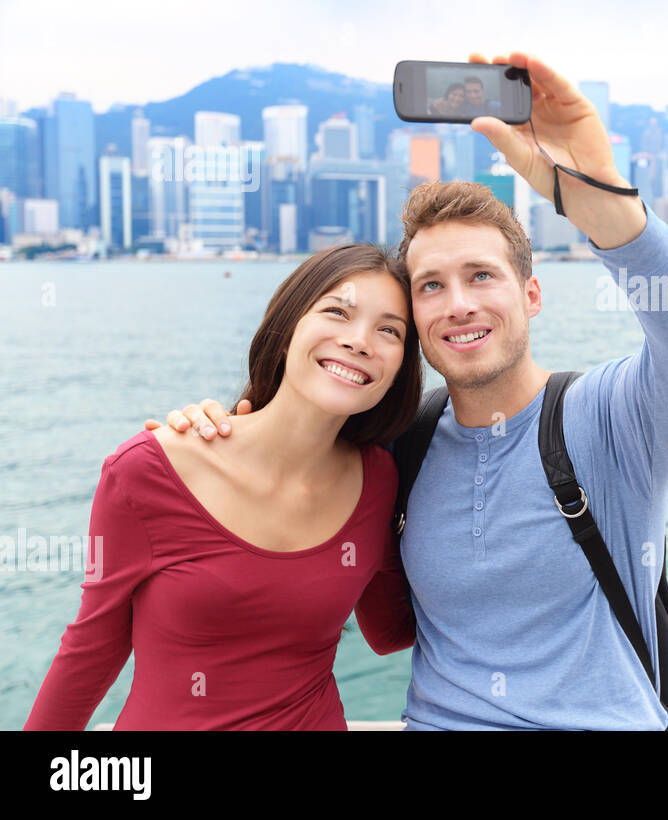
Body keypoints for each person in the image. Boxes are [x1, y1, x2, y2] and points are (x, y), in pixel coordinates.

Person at [156, 50, 668, 730]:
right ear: (413, 318)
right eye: (431, 285)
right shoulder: (403, 440)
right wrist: (212, 432)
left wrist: (596, 193)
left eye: (481, 276)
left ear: (532, 294)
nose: (457, 303)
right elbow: (290, 472)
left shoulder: (611, 418)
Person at [25, 244, 424, 730]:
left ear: (400, 367)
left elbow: (389, 630)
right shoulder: (147, 470)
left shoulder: (380, 479)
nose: (360, 341)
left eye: (389, 330)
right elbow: (91, 650)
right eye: (337, 312)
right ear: (286, 331)